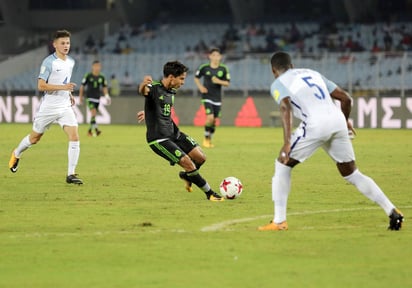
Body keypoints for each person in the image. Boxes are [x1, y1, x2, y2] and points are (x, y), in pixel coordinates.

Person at [258, 51, 403, 231]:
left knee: (282, 164)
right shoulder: (312, 73)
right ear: (292, 65)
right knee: (352, 173)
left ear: (274, 71)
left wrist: (287, 142)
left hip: (315, 124)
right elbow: (346, 99)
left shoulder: (278, 83)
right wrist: (344, 121)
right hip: (336, 121)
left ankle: (279, 221)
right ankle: (392, 210)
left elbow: (285, 106)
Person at [138, 61, 223, 201]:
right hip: (159, 138)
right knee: (188, 162)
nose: (183, 82)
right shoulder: (154, 87)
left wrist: (148, 112)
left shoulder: (171, 91)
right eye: (182, 78)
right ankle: (210, 193)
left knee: (201, 158)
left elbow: (159, 106)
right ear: (171, 77)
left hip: (174, 133)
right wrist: (142, 84)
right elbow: (144, 91)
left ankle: (186, 175)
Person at [9, 29, 83, 184]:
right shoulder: (49, 62)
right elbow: (41, 86)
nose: (66, 46)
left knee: (74, 136)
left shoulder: (70, 62)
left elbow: (64, 81)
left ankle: (71, 174)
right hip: (49, 107)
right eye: (62, 43)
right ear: (54, 44)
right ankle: (16, 153)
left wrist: (68, 94)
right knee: (35, 138)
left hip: (64, 107)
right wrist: (64, 89)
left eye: (68, 43)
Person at [194, 47, 230, 148]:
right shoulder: (204, 67)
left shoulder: (223, 69)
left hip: (217, 98)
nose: (215, 57)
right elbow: (196, 78)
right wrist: (200, 87)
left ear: (220, 57)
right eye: (213, 55)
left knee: (214, 120)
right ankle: (206, 139)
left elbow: (227, 83)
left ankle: (210, 139)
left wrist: (218, 81)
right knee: (210, 117)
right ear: (209, 56)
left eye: (217, 55)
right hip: (207, 96)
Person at [79, 60, 111, 136]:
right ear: (92, 67)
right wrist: (81, 97)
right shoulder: (88, 75)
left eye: (98, 66)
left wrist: (107, 96)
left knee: (93, 115)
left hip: (97, 98)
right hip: (89, 98)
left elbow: (104, 87)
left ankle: (90, 131)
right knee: (93, 112)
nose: (97, 68)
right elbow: (82, 86)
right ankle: (96, 129)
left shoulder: (102, 77)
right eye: (96, 66)